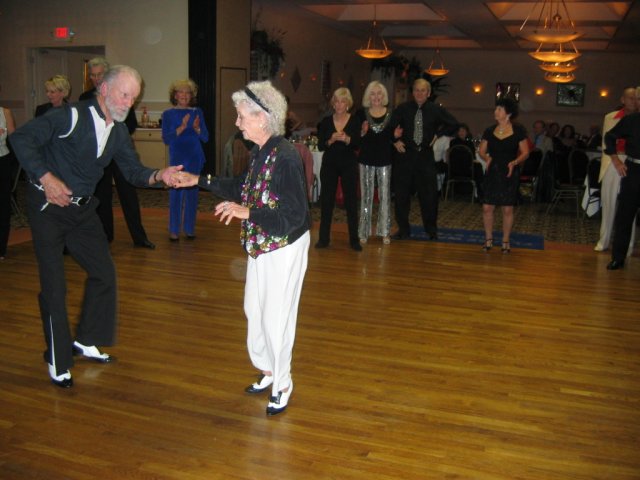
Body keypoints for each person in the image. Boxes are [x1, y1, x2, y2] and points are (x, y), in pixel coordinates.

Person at [9, 65, 181, 388]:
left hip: (82, 211)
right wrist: (46, 178)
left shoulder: (117, 131)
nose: (129, 102)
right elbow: (20, 138)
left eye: (134, 97)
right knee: (54, 287)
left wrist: (161, 175)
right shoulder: (69, 116)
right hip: (48, 208)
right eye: (124, 95)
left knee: (104, 273)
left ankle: (86, 339)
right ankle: (58, 358)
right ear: (104, 89)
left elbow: (133, 172)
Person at [172, 80, 311, 416]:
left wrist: (247, 212)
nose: (237, 123)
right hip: (262, 243)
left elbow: (295, 215)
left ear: (262, 117)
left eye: (241, 116)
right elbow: (242, 187)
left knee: (277, 317)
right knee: (254, 309)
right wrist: (199, 180)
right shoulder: (261, 151)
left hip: (284, 245)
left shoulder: (286, 157)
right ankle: (267, 369)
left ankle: (282, 383)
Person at [81, 57, 155, 249]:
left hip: (119, 152)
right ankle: (106, 236)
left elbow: (130, 124)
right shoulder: (85, 98)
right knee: (102, 195)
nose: (96, 78)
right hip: (99, 155)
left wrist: (114, 133)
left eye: (100, 74)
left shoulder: (122, 95)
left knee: (128, 194)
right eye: (93, 75)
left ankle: (139, 237)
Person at [390, 78, 458, 240]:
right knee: (401, 196)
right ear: (412, 92)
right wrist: (394, 141)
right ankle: (403, 230)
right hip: (405, 156)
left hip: (425, 157)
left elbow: (454, 124)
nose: (419, 93)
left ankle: (431, 230)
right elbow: (389, 127)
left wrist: (438, 134)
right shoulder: (402, 108)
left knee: (429, 196)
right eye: (416, 90)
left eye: (423, 90)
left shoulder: (435, 109)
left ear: (428, 93)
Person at [478, 98, 529, 253]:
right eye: (496, 109)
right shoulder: (489, 130)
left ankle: (505, 240)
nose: (496, 111)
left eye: (499, 109)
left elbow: (525, 152)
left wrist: (515, 162)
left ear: (508, 113)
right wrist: (486, 158)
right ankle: (488, 239)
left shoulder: (518, 131)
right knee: (487, 207)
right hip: (493, 171)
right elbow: (481, 151)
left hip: (509, 171)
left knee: (507, 209)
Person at [161, 78, 209, 241]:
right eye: (180, 92)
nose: (184, 95)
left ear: (191, 95)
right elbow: (167, 139)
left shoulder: (197, 112)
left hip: (194, 156)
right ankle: (174, 229)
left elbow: (205, 137)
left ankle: (189, 228)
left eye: (187, 92)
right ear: (175, 95)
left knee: (192, 194)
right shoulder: (168, 114)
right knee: (175, 193)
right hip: (177, 157)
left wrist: (196, 128)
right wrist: (182, 126)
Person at [315, 87, 362, 251]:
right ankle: (323, 239)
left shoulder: (355, 120)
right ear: (333, 104)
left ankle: (354, 240)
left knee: (351, 202)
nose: (339, 104)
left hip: (348, 164)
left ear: (348, 104)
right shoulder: (326, 121)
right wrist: (330, 140)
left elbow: (358, 144)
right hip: (330, 164)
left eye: (343, 101)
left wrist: (348, 139)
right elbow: (321, 146)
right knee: (327, 201)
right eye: (337, 101)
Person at [594, 86, 638, 253]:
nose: (633, 101)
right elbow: (608, 141)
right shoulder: (611, 117)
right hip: (612, 161)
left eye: (636, 98)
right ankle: (604, 241)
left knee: (630, 206)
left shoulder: (637, 118)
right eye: (630, 98)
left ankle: (627, 245)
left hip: (633, 162)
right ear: (623, 100)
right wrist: (616, 160)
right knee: (608, 203)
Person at [604, 88, 640, 270]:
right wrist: (616, 159)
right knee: (624, 216)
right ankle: (618, 258)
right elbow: (609, 137)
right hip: (633, 171)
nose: (638, 101)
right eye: (638, 99)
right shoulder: (631, 120)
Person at [356, 81, 396, 245]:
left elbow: (392, 136)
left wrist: (396, 136)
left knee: (385, 196)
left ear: (384, 96)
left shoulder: (391, 114)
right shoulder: (361, 114)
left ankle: (385, 231)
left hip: (385, 159)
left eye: (379, 93)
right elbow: (356, 139)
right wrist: (362, 131)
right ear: (368, 96)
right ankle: (363, 232)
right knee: (366, 197)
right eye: (373, 93)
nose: (376, 97)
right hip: (366, 159)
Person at [0, 103, 16, 260]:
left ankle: (1, 248)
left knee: (3, 205)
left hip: (2, 162)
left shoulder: (5, 112)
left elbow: (14, 137)